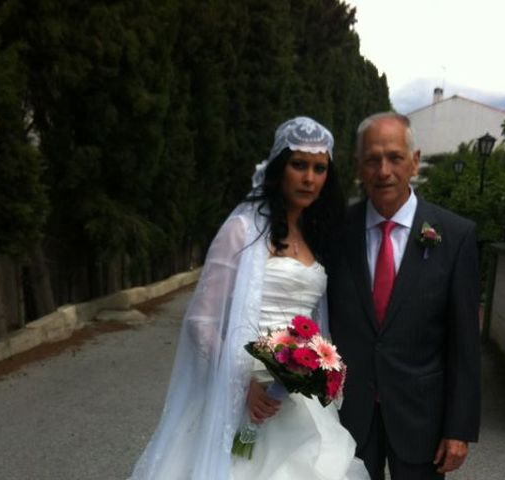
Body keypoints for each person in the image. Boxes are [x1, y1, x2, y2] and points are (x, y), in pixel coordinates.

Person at [129, 116, 370, 479]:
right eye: (299, 165)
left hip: (299, 398)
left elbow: (317, 323)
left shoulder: (315, 234)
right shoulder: (241, 230)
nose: (309, 178)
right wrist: (244, 384)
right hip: (244, 391)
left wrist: (317, 373)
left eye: (319, 168)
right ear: (279, 168)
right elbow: (201, 322)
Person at [327, 112, 481, 480]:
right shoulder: (334, 231)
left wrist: (459, 428)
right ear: (358, 167)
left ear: (414, 162)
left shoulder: (455, 236)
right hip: (348, 415)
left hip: (421, 418)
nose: (384, 171)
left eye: (395, 157)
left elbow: (464, 342)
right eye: (372, 159)